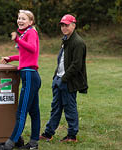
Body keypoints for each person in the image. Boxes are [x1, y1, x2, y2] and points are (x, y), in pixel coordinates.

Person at [0, 10, 41, 150]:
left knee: (21, 112)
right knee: (34, 112)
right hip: (30, 75)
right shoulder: (26, 33)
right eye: (19, 18)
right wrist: (10, 58)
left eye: (23, 18)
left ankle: (9, 145)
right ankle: (33, 144)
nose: (20, 20)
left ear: (30, 22)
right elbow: (25, 55)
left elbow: (32, 48)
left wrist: (17, 39)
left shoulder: (31, 32)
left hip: (30, 75)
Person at [40, 14, 88, 142]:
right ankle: (48, 133)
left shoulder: (78, 42)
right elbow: (62, 60)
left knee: (69, 108)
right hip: (58, 79)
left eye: (66, 25)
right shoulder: (65, 39)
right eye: (62, 25)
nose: (64, 27)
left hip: (68, 82)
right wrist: (56, 76)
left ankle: (72, 136)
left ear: (74, 25)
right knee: (55, 108)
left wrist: (63, 79)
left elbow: (76, 65)